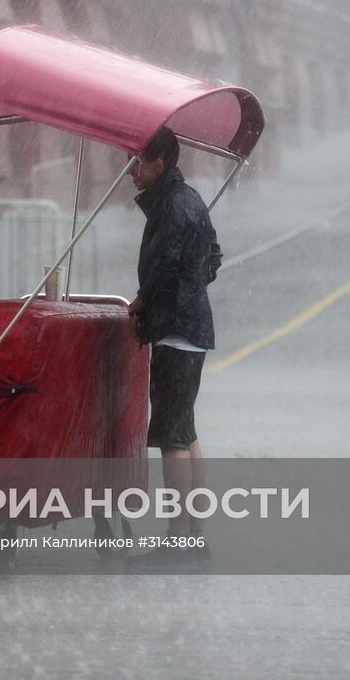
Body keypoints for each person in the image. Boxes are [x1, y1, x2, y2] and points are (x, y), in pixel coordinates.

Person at [125, 127, 222, 566]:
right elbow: (213, 257)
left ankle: (179, 534)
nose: (132, 172)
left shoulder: (169, 206)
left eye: (138, 163)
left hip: (175, 331)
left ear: (158, 164)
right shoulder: (192, 200)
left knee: (170, 436)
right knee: (186, 430)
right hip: (191, 327)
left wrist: (145, 300)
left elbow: (163, 270)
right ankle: (194, 530)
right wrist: (191, 288)